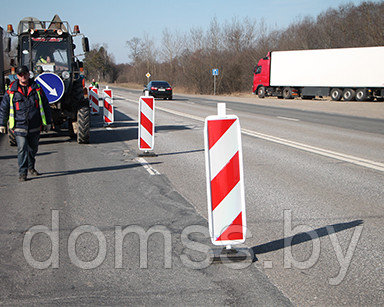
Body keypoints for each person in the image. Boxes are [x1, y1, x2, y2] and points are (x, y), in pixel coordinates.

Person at [0, 65, 52, 182]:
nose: (23, 76)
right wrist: (2, 124)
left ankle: (31, 167)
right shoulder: (11, 91)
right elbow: (4, 107)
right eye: (20, 75)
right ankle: (22, 173)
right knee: (22, 148)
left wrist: (48, 122)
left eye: (25, 74)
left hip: (34, 125)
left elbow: (45, 105)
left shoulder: (37, 88)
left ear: (29, 74)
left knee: (33, 149)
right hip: (19, 125)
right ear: (17, 76)